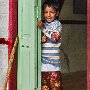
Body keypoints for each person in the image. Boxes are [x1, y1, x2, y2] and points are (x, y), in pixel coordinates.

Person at [37, 0, 63, 90]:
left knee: (55, 87)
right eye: (45, 12)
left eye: (51, 12)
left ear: (57, 13)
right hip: (43, 62)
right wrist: (42, 39)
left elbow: (55, 38)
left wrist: (43, 29)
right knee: (45, 87)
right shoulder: (42, 24)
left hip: (54, 64)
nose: (48, 15)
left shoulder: (57, 25)